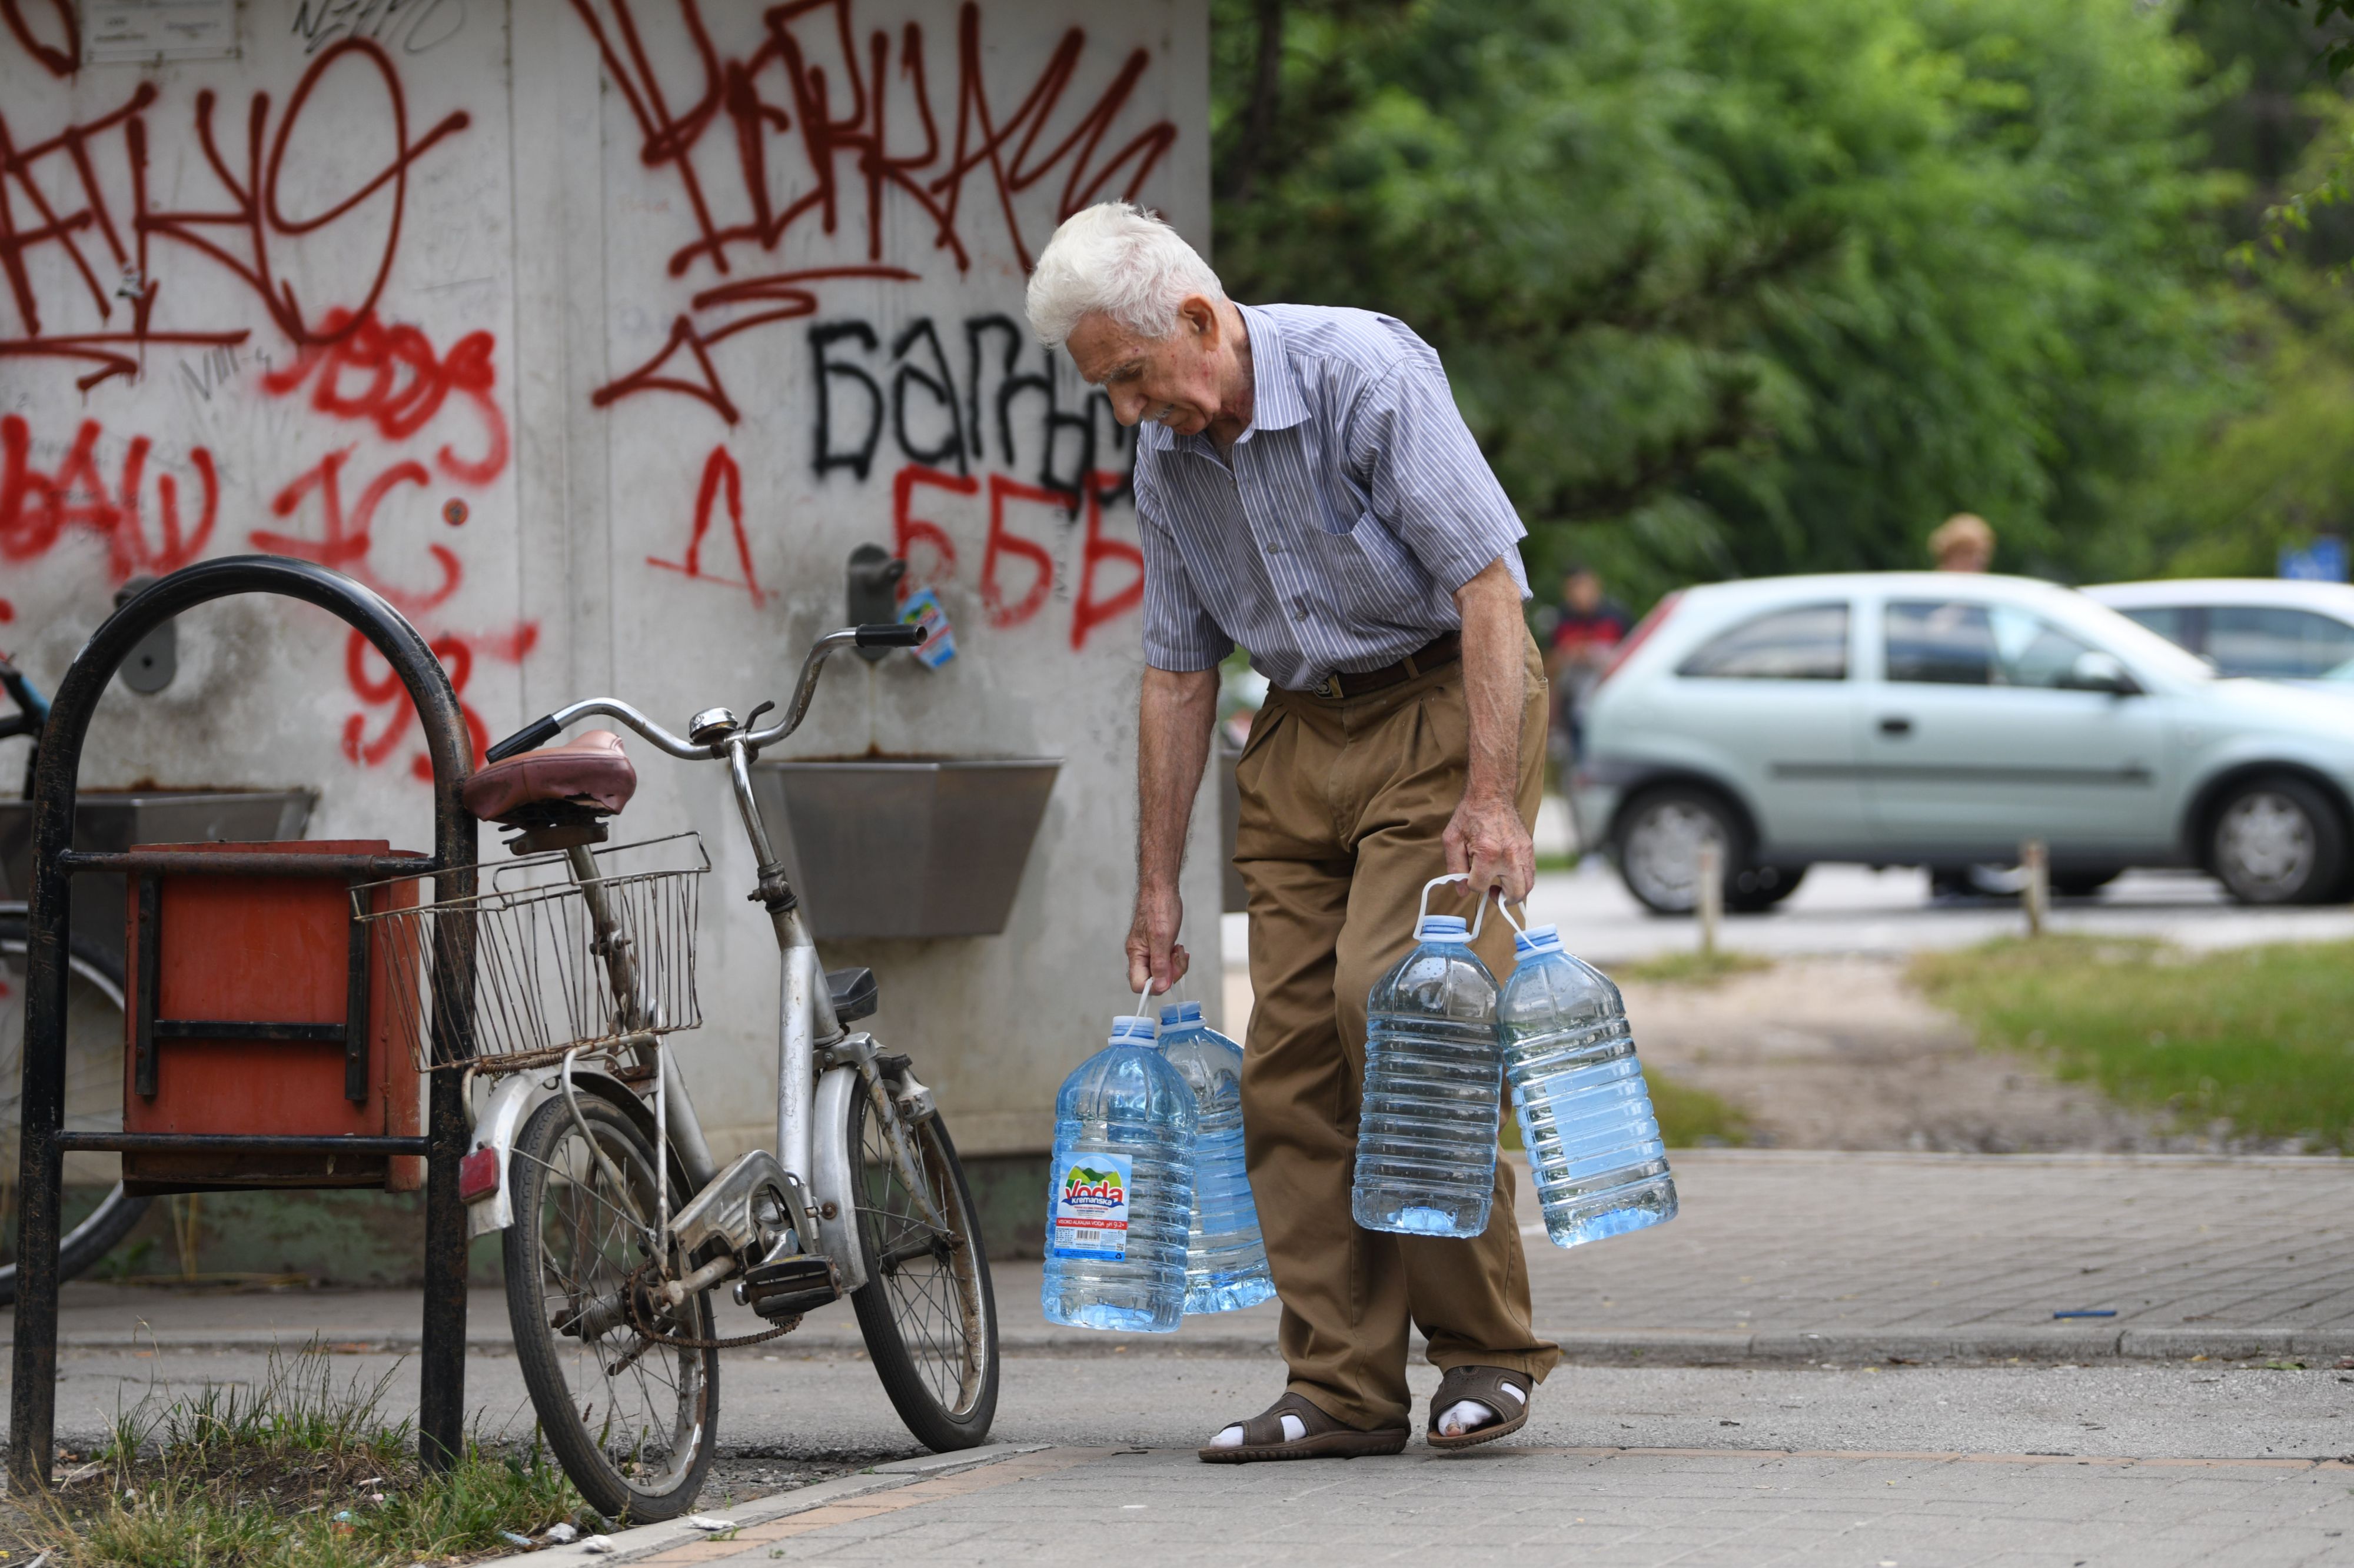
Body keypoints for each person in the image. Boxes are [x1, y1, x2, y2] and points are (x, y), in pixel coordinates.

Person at [1025, 204, 1556, 1463]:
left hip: (1443, 703)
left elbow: (1488, 583)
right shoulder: (1168, 460)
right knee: (1287, 1067)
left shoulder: (1360, 373)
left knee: (1399, 1011)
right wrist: (1156, 887)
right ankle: (1340, 1386)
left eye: (1135, 377)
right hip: (1300, 734)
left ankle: (1484, 1353)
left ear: (1199, 322)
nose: (1128, 411)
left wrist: (1489, 797)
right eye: (1106, 389)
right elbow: (1173, 672)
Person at [1542, 565, 1628, 764]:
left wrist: (1597, 655)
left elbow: (1634, 657)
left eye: (1583, 588)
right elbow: (1548, 666)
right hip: (1572, 704)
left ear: (1596, 587)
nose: (1579, 595)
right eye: (1573, 589)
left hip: (1609, 699)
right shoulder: (1562, 620)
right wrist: (1569, 653)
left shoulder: (1617, 616)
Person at [1930, 512, 1995, 572]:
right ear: (1949, 554)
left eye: (1983, 554)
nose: (1978, 560)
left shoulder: (1992, 584)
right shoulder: (1929, 583)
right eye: (1968, 552)